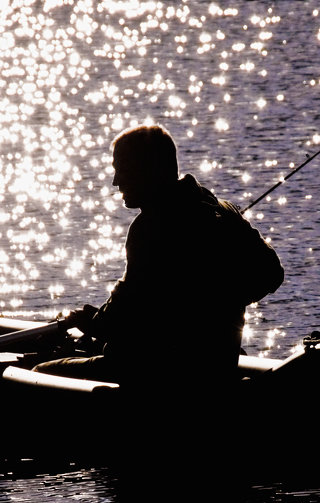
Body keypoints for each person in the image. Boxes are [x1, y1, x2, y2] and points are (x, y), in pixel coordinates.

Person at [35, 125, 283, 392]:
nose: (116, 181)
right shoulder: (224, 211)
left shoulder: (150, 227)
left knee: (38, 374)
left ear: (150, 169)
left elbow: (116, 320)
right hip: (217, 368)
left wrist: (89, 321)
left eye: (123, 169)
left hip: (156, 376)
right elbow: (272, 274)